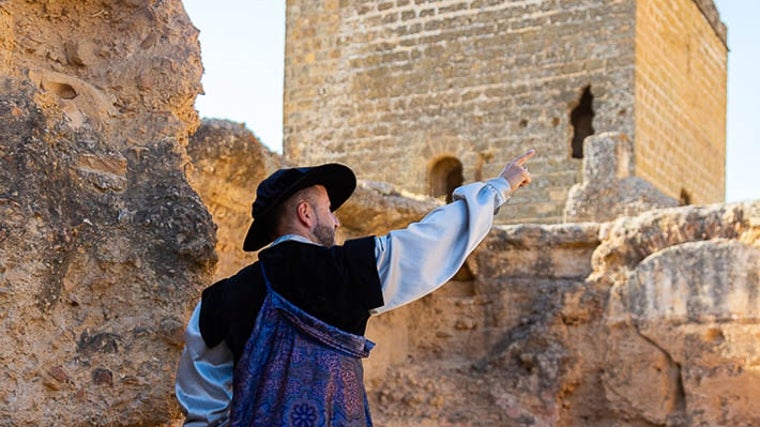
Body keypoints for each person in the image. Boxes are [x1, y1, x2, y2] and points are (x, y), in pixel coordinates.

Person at [175, 149, 536, 426]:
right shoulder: (347, 270)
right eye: (329, 209)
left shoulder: (218, 300)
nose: (336, 219)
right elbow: (428, 243)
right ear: (305, 214)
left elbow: (204, 406)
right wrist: (498, 188)